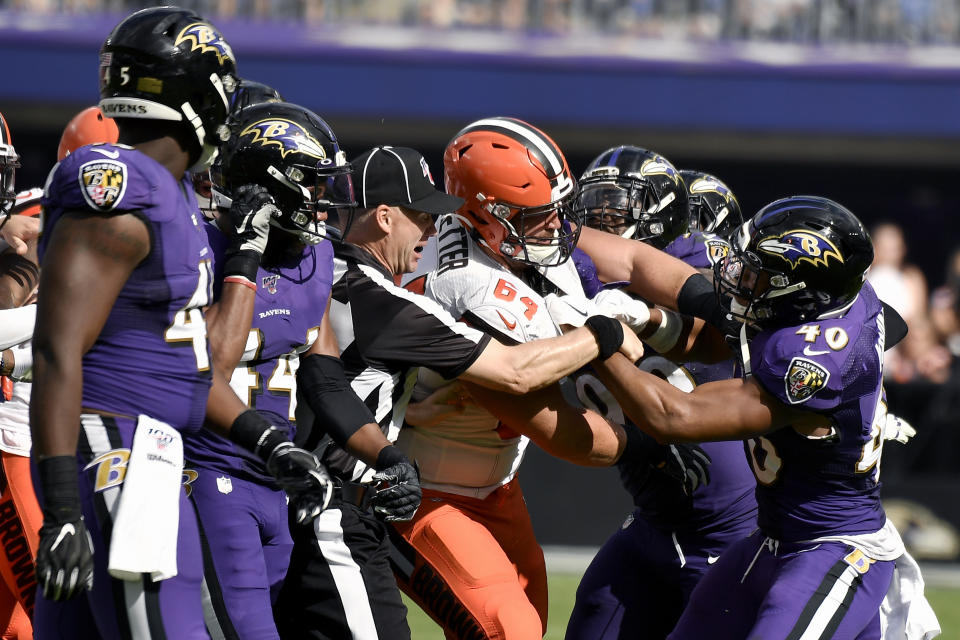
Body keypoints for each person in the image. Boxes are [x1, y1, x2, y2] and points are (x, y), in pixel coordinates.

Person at [31, 8, 330, 638]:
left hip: (147, 447)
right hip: (120, 451)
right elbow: (60, 350)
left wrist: (266, 439)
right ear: (202, 93)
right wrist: (59, 507)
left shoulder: (175, 201)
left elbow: (180, 363)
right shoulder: (121, 183)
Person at [275, 144, 644, 640]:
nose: (432, 230)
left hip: (307, 481)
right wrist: (602, 332)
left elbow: (331, 379)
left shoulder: (321, 271)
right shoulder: (391, 299)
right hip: (351, 499)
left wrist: (423, 399)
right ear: (385, 217)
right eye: (422, 216)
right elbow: (515, 373)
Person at [393, 121, 721, 640]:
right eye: (540, 216)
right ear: (489, 216)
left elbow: (632, 258)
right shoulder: (463, 285)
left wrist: (716, 301)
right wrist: (643, 444)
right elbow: (553, 426)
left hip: (493, 485)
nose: (558, 227)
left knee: (529, 625)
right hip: (422, 492)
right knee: (513, 633)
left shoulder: (518, 237)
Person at [591, 195, 939, 640]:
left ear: (801, 291)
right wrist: (651, 319)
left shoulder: (813, 362)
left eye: (756, 273)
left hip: (835, 549)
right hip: (771, 540)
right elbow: (717, 329)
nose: (738, 279)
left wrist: (598, 338)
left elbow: (673, 415)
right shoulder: (838, 302)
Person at [187, 99, 404, 640]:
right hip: (204, 477)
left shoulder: (315, 260)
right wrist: (244, 255)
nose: (324, 203)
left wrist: (388, 456)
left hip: (277, 487)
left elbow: (323, 378)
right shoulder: (200, 250)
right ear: (270, 186)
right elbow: (200, 372)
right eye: (313, 184)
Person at [564, 149, 757, 640]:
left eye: (613, 207)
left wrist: (646, 316)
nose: (598, 220)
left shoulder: (692, 258)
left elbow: (709, 319)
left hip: (729, 526)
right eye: (591, 207)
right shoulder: (576, 278)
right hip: (654, 520)